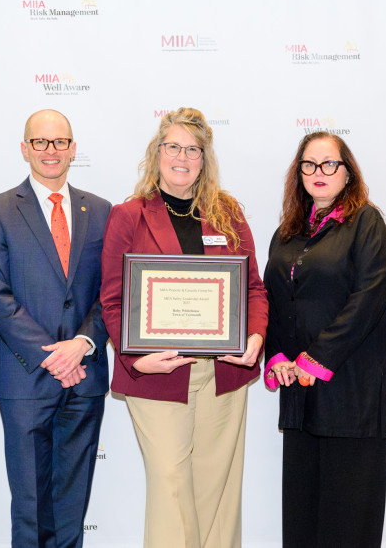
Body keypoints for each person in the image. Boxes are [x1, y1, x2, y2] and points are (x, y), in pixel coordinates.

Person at [101, 107, 268, 548]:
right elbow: (113, 301)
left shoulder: (227, 213)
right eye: (173, 146)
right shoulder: (128, 216)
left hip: (222, 374)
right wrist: (138, 357)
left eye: (193, 149)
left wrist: (254, 336)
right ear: (157, 153)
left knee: (216, 491)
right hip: (158, 375)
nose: (182, 157)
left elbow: (253, 287)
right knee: (172, 488)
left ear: (204, 159)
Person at [0, 109, 111, 547]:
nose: (50, 151)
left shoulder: (103, 211)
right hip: (26, 377)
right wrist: (54, 356)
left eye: (59, 142)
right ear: (24, 148)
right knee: (32, 507)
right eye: (40, 142)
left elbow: (110, 293)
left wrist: (82, 345)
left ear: (73, 148)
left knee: (73, 505)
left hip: (85, 378)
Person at [263, 131, 386, 547]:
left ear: (347, 172)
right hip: (302, 398)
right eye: (308, 164)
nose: (318, 173)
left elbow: (368, 300)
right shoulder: (288, 231)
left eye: (329, 164)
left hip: (352, 396)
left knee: (348, 523)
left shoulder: (366, 222)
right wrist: (281, 357)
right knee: (303, 519)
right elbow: (275, 301)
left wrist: (314, 359)